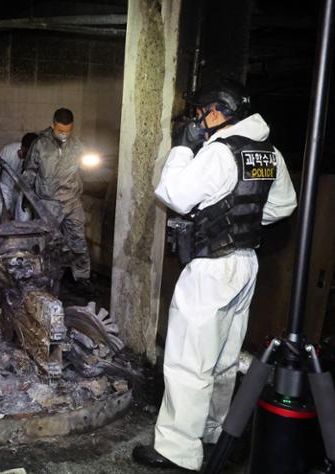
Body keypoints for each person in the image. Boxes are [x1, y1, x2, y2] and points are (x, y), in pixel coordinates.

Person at [132, 79, 297, 471]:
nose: (198, 120)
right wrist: (237, 217)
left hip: (212, 268)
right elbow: (283, 205)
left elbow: (173, 194)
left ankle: (177, 450)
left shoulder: (218, 152)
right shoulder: (267, 151)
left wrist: (182, 148)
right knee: (223, 359)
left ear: (218, 111)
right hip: (245, 264)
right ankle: (213, 432)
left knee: (189, 360)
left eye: (201, 113)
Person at [22, 107, 91, 283]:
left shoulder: (77, 146)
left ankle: (82, 277)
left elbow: (87, 169)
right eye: (60, 130)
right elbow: (29, 171)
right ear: (53, 125)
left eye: (68, 131)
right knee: (47, 244)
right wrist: (26, 196)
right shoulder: (40, 145)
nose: (64, 134)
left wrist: (90, 166)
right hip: (48, 203)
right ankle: (45, 278)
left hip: (72, 201)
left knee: (78, 242)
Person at [0, 132, 38, 213]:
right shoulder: (8, 150)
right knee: (2, 213)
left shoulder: (36, 157)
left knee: (24, 218)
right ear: (23, 148)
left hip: (21, 191)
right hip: (5, 187)